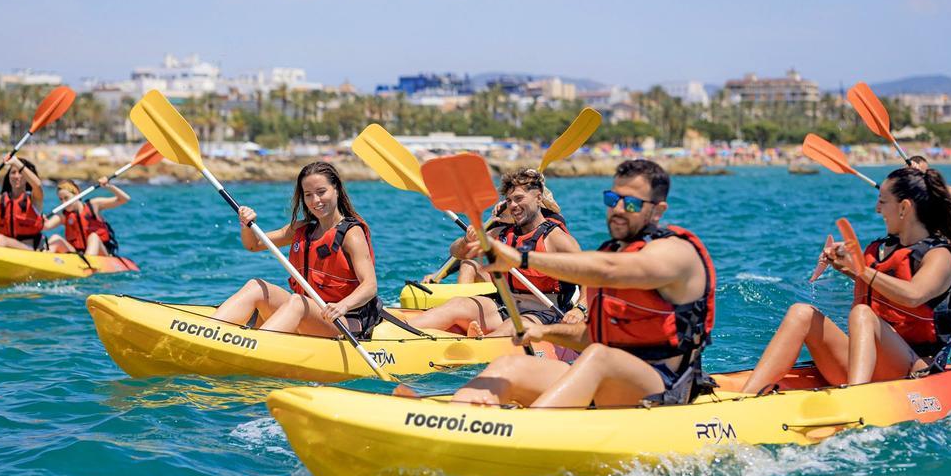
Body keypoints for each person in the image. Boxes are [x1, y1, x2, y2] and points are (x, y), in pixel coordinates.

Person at [450, 159, 716, 408]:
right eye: (613, 200)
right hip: (603, 376)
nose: (619, 209)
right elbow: (595, 337)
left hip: (662, 386)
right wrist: (545, 333)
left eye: (632, 204)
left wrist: (521, 258)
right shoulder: (613, 250)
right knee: (507, 367)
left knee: (599, 357)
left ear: (658, 211)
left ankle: (526, 431)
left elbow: (608, 271)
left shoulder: (677, 253)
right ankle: (456, 423)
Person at [742, 167, 951, 393]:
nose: (877, 209)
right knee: (801, 313)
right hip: (869, 363)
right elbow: (881, 287)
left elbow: (913, 296)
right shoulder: (881, 249)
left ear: (904, 208)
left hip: (917, 371)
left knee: (862, 314)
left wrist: (860, 269)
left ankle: (855, 397)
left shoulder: (939, 256)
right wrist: (843, 265)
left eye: (883, 202)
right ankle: (746, 399)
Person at [211, 161, 381, 337]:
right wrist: (246, 224)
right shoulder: (302, 229)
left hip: (343, 321)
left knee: (298, 302)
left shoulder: (351, 234)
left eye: (321, 192)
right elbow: (254, 244)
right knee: (257, 287)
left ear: (336, 189)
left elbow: (370, 286)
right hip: (309, 314)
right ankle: (209, 333)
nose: (315, 201)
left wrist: (342, 305)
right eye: (308, 195)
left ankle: (257, 346)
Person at [413, 168, 582, 336]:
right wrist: (467, 241)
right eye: (509, 201)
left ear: (538, 198)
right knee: (457, 305)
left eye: (518, 198)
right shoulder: (501, 233)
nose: (513, 205)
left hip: (544, 313)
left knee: (513, 327)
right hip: (505, 305)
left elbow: (594, 280)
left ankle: (481, 344)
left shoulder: (557, 239)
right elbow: (457, 252)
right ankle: (397, 330)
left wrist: (580, 309)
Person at [43, 177, 129, 256]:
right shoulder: (64, 215)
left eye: (66, 198)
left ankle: (87, 262)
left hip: (102, 254)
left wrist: (108, 186)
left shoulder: (94, 205)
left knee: (93, 236)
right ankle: (42, 260)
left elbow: (124, 199)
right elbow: (45, 226)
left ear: (77, 195)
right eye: (61, 199)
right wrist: (41, 220)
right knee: (55, 238)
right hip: (78, 254)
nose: (63, 203)